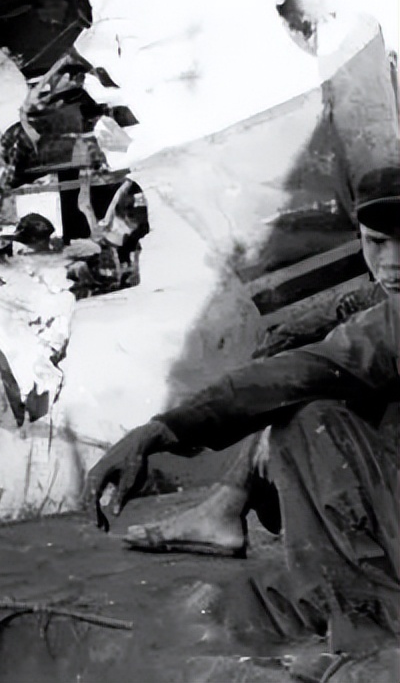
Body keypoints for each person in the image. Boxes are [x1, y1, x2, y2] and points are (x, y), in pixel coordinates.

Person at [85, 165, 400, 651]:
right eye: (377, 242)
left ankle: (367, 628)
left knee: (309, 419)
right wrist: (161, 430)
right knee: (297, 390)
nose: (393, 263)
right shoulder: (385, 313)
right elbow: (304, 366)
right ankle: (227, 509)